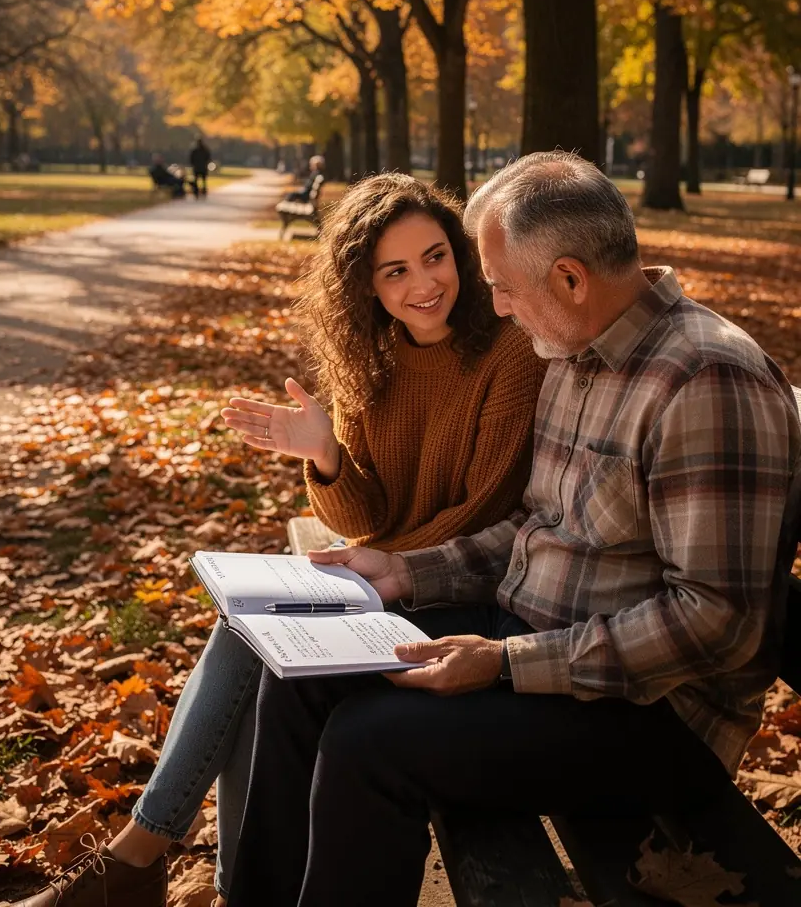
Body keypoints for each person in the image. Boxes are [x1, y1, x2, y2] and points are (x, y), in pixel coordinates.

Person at [224, 151, 801, 907]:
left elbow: (716, 624)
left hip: (650, 720)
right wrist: (407, 574)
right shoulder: (574, 349)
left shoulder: (703, 381)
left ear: (568, 277)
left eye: (502, 286)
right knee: (301, 680)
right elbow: (537, 527)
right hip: (532, 638)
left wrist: (504, 663)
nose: (494, 307)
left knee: (370, 747)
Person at [11, 174, 546, 907]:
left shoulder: (508, 356)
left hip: (457, 592)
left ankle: (144, 859)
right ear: (366, 286)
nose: (424, 283)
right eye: (396, 271)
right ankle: (182, 870)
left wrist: (379, 569)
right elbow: (367, 514)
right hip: (381, 578)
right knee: (253, 636)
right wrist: (325, 454)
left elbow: (479, 514)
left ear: (458, 251)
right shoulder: (375, 358)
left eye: (435, 256)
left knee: (260, 648)